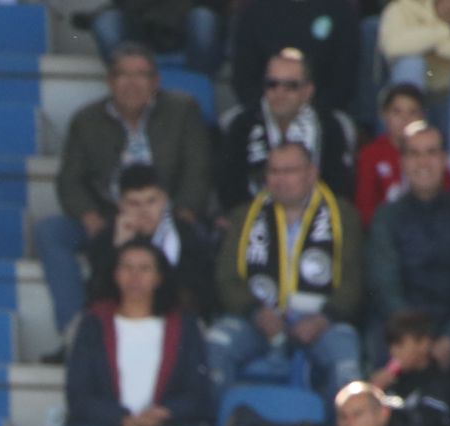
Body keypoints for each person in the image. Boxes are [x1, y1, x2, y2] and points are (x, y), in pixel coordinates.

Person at [210, 143, 364, 400]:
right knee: (217, 345)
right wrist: (256, 312)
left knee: (345, 359)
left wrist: (323, 318)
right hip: (257, 319)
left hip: (322, 320)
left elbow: (353, 281)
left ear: (312, 173)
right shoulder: (244, 216)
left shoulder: (343, 215)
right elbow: (226, 278)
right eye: (274, 172)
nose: (280, 180)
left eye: (290, 171)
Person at [63, 237, 211, 426]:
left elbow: (198, 394)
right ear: (115, 274)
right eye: (127, 268)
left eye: (145, 269)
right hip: (108, 425)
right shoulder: (94, 323)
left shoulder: (183, 325)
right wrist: (122, 419)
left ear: (159, 277)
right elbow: (79, 394)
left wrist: (163, 413)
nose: (135, 277)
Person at [365, 122, 450, 370]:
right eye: (414, 154)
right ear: (402, 161)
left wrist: (449, 338)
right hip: (404, 329)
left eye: (431, 153)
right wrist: (417, 340)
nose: (423, 162)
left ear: (445, 159)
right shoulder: (387, 217)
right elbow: (385, 287)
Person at [216, 49, 356, 214]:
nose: (279, 92)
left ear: (308, 91)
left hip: (318, 219)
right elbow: (229, 188)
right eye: (272, 84)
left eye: (291, 86)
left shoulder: (328, 126)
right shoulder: (242, 125)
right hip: (252, 219)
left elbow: (339, 187)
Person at [79, 165, 215, 318]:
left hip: (176, 320)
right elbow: (98, 294)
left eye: (151, 201)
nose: (144, 211)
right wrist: (118, 250)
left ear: (164, 200)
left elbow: (200, 293)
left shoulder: (185, 234)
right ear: (121, 205)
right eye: (134, 203)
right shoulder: (106, 239)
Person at [378, 0, 450, 166]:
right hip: (414, 96)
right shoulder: (405, 9)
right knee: (410, 63)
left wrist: (434, 46)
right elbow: (392, 46)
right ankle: (404, 158)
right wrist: (447, 31)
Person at [230, 2, 361, 114]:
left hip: (325, 113)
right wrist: (273, 109)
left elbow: (344, 81)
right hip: (260, 112)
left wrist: (308, 109)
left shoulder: (340, 12)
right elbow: (244, 79)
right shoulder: (254, 12)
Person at [370, 309, 450, 426]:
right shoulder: (389, 381)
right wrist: (372, 391)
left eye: (400, 344)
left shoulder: (438, 385)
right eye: (391, 345)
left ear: (424, 344)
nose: (393, 352)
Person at [356, 82, 431, 225]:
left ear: (423, 117)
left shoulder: (433, 150)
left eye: (412, 112)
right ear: (385, 115)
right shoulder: (371, 155)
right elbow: (365, 209)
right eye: (397, 112)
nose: (405, 119)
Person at [84, 2, 221, 76]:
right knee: (106, 21)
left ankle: (198, 86)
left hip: (187, 42)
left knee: (204, 18)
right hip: (140, 35)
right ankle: (125, 75)